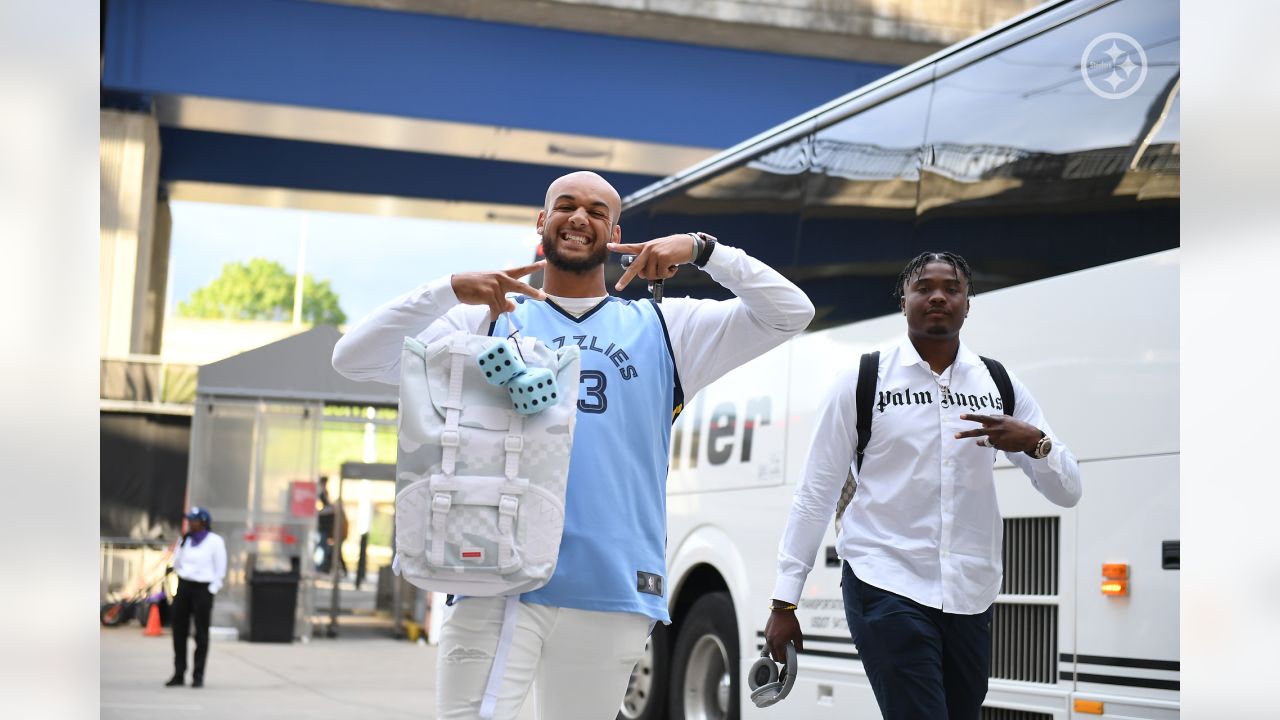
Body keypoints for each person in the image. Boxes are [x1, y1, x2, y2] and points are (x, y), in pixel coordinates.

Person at [332, 170, 814, 719]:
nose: (579, 218)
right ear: (542, 222)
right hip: (495, 576)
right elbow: (354, 358)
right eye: (565, 206)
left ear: (615, 232)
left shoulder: (665, 326)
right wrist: (445, 290)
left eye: (596, 211)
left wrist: (705, 251)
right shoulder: (484, 319)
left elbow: (790, 313)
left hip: (611, 585)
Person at [764, 252, 1081, 720]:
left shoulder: (998, 384)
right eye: (924, 287)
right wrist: (784, 600)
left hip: (969, 592)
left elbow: (1068, 491)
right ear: (904, 301)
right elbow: (816, 493)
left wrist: (1036, 443)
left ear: (967, 304)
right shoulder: (862, 379)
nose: (937, 295)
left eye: (951, 288)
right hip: (883, 579)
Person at [166, 506, 227, 689]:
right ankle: (179, 673)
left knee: (201, 633)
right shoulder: (185, 539)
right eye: (189, 520)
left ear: (203, 522)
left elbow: (220, 567)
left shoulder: (215, 542)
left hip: (202, 589)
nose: (191, 524)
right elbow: (176, 561)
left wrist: (212, 589)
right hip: (184, 586)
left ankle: (198, 675)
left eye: (194, 520)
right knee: (179, 631)